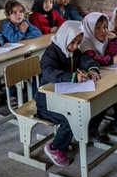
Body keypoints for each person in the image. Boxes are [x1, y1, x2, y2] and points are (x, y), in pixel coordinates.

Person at [34, 21, 101, 167]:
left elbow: (84, 59)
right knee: (71, 118)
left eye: (78, 42)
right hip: (46, 102)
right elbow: (49, 73)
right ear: (65, 37)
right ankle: (54, 148)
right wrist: (72, 77)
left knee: (97, 103)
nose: (76, 46)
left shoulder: (72, 51)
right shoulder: (51, 53)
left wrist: (92, 69)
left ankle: (84, 130)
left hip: (64, 97)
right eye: (73, 42)